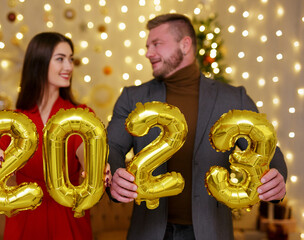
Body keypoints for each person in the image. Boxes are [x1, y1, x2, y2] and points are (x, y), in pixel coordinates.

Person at [107, 13, 287, 240]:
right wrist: (114, 177)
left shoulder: (234, 98)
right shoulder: (132, 98)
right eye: (147, 46)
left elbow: (268, 150)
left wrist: (278, 177)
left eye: (156, 44)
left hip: (211, 232)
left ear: (185, 44)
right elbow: (111, 146)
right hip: (149, 232)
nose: (148, 53)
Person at [0, 32, 111, 240]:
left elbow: (83, 149)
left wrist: (94, 167)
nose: (69, 66)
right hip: (24, 214)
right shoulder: (16, 118)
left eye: (71, 59)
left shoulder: (80, 114)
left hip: (67, 215)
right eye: (60, 59)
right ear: (39, 62)